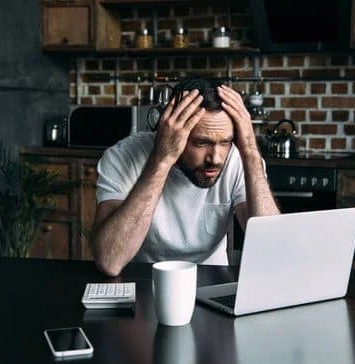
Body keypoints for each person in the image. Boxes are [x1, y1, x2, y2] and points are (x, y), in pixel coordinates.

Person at [92, 77, 280, 277]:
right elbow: (109, 261)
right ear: (171, 131)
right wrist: (161, 160)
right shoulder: (123, 156)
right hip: (143, 278)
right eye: (201, 143)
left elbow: (272, 254)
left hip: (211, 279)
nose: (215, 158)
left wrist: (250, 150)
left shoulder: (237, 159)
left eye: (225, 142)